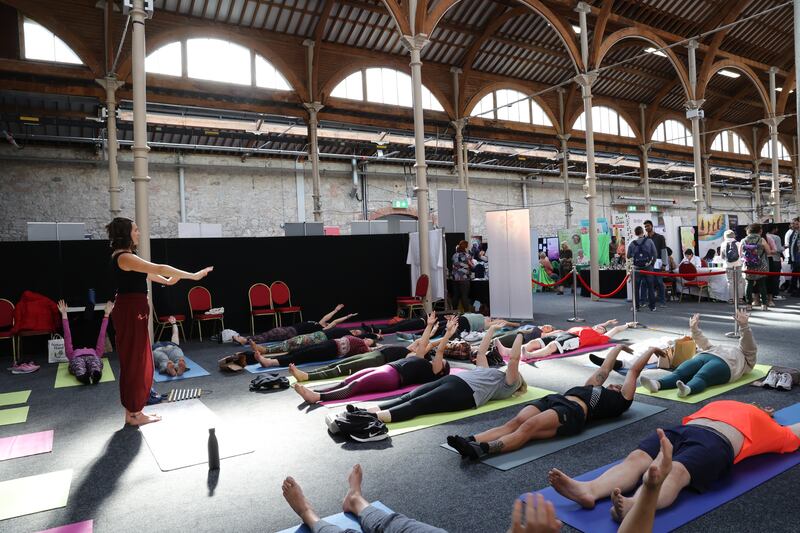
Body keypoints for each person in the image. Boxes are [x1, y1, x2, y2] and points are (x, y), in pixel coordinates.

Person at [548, 400, 800, 522]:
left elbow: (795, 432)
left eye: (768, 409)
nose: (763, 406)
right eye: (761, 405)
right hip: (680, 430)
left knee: (675, 472)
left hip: (716, 442)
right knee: (636, 459)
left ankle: (636, 504)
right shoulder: (724, 403)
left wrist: (768, 418)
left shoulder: (772, 428)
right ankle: (589, 489)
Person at [447, 344, 654, 460]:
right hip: (555, 400)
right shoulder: (594, 386)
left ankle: (483, 449)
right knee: (514, 422)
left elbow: (634, 371)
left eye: (620, 386)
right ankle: (469, 439)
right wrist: (618, 347)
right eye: (615, 384)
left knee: (528, 428)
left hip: (573, 412)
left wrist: (651, 349)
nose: (616, 385)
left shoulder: (620, 400)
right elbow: (605, 369)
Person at [106, 217, 212, 426]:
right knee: (135, 362)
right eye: (135, 230)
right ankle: (134, 414)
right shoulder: (124, 257)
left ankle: (135, 412)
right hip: (130, 311)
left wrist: (166, 281)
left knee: (140, 360)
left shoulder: (127, 257)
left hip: (134, 310)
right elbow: (159, 267)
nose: (138, 233)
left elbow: (147, 273)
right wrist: (193, 276)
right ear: (126, 234)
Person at [347, 326, 526, 424]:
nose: (512, 371)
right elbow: (481, 353)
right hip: (453, 380)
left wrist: (519, 335)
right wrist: (492, 329)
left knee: (418, 404)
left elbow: (514, 359)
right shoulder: (488, 372)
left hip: (466, 393)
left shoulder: (508, 385)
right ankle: (365, 411)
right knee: (408, 396)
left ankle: (371, 418)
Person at [293, 314, 453, 405]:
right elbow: (423, 343)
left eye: (441, 363)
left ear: (440, 372)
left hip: (392, 377)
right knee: (349, 380)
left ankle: (318, 397)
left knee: (356, 385)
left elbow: (438, 351)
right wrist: (429, 325)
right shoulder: (421, 361)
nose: (438, 361)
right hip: (388, 367)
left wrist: (447, 336)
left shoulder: (431, 372)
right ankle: (317, 392)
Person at [640, 311, 755, 397]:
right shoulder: (715, 347)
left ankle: (688, 389)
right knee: (680, 372)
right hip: (705, 355)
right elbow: (703, 342)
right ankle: (657, 384)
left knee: (702, 376)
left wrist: (744, 327)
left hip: (726, 364)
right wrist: (694, 329)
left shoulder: (746, 356)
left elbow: (748, 343)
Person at [493, 319, 635, 361]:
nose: (599, 327)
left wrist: (627, 325)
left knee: (552, 346)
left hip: (574, 340)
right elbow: (600, 325)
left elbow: (615, 330)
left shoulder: (601, 337)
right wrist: (607, 322)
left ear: (603, 332)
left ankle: (530, 355)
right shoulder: (591, 328)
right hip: (563, 334)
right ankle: (508, 350)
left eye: (601, 328)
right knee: (533, 342)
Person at [232, 304, 357, 345]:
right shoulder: (320, 323)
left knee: (271, 334)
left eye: (329, 324)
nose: (328, 322)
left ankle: (245, 340)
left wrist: (347, 317)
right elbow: (327, 317)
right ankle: (246, 340)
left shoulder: (323, 329)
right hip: (291, 329)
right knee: (269, 335)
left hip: (293, 332)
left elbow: (334, 321)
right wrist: (335, 310)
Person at [57, 299, 112, 385]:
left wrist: (107, 315)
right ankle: (83, 376)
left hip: (92, 357)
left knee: (95, 364)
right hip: (78, 359)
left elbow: (102, 335)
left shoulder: (95, 353)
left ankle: (95, 374)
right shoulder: (72, 355)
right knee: (79, 364)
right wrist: (64, 314)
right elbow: (67, 336)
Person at [252, 334, 375, 368]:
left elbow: (371, 352)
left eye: (369, 339)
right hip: (330, 343)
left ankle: (270, 362)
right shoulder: (359, 340)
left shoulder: (363, 348)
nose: (365, 339)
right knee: (300, 350)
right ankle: (270, 360)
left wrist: (375, 346)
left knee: (303, 355)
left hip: (331, 351)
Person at [628, 226, 657, 312]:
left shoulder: (632, 243)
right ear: (642, 232)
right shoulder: (649, 241)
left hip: (637, 269)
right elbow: (655, 254)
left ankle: (636, 307)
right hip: (648, 267)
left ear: (635, 233)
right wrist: (652, 264)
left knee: (636, 288)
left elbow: (628, 256)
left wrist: (634, 254)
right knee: (650, 287)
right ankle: (652, 307)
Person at [741, 223, 770, 311]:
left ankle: (749, 304)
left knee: (748, 284)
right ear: (759, 231)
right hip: (761, 265)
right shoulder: (762, 240)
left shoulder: (743, 240)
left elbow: (740, 255)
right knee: (762, 285)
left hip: (748, 266)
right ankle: (764, 305)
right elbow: (768, 252)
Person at [643, 220, 667, 307]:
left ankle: (662, 302)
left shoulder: (660, 237)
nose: (646, 228)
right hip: (647, 264)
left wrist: (664, 264)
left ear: (652, 226)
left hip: (658, 263)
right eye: (645, 226)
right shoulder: (645, 239)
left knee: (660, 282)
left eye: (648, 226)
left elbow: (664, 251)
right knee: (648, 283)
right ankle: (650, 302)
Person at [721, 230, 744, 304]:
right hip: (738, 264)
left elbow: (722, 256)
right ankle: (740, 299)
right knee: (739, 281)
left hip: (728, 265)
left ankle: (731, 299)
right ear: (734, 235)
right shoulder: (738, 243)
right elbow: (741, 255)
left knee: (730, 282)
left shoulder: (723, 244)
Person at [451, 240, 474, 312]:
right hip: (464, 279)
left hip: (455, 278)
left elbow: (453, 265)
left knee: (456, 296)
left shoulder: (454, 255)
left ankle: (454, 312)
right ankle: (467, 313)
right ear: (466, 247)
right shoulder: (467, 256)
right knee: (464, 296)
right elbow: (472, 266)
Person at [765, 224, 784, 305]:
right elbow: (778, 249)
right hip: (775, 259)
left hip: (766, 260)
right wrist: (785, 247)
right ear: (775, 229)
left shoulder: (764, 236)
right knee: (775, 277)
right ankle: (774, 294)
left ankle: (766, 295)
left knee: (767, 278)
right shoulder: (776, 237)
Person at [784, 217, 800, 296]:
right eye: (792, 223)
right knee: (795, 274)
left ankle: (794, 289)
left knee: (796, 274)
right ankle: (793, 289)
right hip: (794, 257)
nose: (793, 225)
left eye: (795, 223)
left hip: (798, 257)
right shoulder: (794, 232)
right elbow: (792, 245)